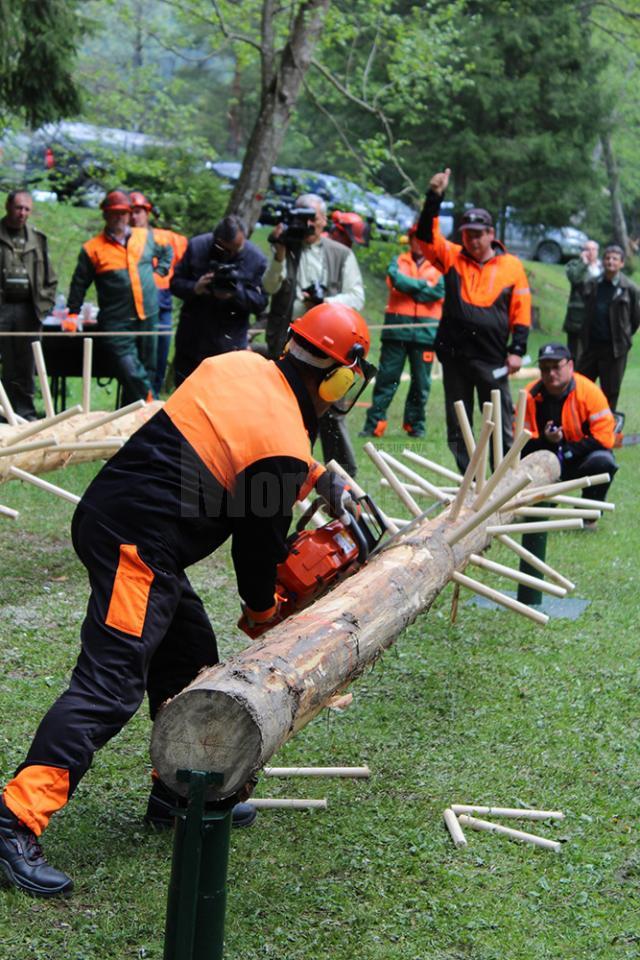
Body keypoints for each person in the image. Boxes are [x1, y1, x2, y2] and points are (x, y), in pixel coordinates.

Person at [0, 302, 375, 898]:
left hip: (132, 530)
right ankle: (15, 817)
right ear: (335, 376)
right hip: (137, 546)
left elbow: (249, 438)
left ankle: (176, 793)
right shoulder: (280, 440)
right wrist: (265, 614)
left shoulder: (240, 365)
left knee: (190, 655)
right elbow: (257, 557)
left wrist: (319, 477)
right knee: (110, 687)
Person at [416, 168, 531, 472]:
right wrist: (434, 196)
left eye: (478, 235)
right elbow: (425, 236)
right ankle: (469, 481)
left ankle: (503, 482)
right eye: (467, 234)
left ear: (491, 234)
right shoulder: (452, 256)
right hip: (454, 354)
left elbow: (522, 309)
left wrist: (517, 349)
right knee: (459, 425)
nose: (472, 240)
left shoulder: (512, 266)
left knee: (499, 421)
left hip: (492, 356)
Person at [263, 194, 366, 475]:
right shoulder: (286, 248)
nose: (307, 224)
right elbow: (270, 287)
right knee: (283, 409)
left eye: (312, 218)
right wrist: (279, 253)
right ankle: (282, 469)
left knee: (332, 412)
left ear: (323, 219)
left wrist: (325, 304)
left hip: (331, 349)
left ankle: (344, 477)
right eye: (301, 218)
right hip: (289, 343)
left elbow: (357, 296)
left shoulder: (341, 253)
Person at [67, 190, 172, 405]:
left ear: (129, 214)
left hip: (148, 315)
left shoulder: (145, 236)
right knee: (130, 370)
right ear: (105, 215)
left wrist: (159, 271)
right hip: (116, 322)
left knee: (148, 369)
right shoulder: (92, 249)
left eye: (123, 213)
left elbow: (167, 250)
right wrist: (73, 313)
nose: (119, 218)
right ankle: (153, 406)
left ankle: (133, 423)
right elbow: (79, 283)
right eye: (114, 213)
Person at [360, 226, 444, 439]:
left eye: (424, 239)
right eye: (416, 238)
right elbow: (397, 281)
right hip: (395, 332)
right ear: (411, 240)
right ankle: (374, 425)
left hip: (425, 333)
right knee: (386, 379)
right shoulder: (397, 261)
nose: (419, 243)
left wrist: (410, 287)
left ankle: (416, 426)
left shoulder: (440, 266)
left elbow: (438, 291)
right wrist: (423, 286)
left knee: (421, 383)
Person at [170, 214, 267, 386]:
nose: (230, 254)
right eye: (225, 249)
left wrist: (236, 293)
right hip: (193, 340)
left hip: (230, 344)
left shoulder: (256, 259)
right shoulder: (198, 246)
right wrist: (196, 287)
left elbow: (260, 303)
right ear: (217, 240)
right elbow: (175, 284)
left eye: (236, 249)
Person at [521, 342, 617, 510]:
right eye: (545, 368)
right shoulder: (529, 395)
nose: (551, 373)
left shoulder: (589, 392)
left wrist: (568, 451)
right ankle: (541, 506)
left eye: (556, 367)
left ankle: (588, 515)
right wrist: (547, 440)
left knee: (603, 461)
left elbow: (605, 438)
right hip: (544, 459)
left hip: (580, 457)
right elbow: (521, 445)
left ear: (570, 365)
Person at [0, 190, 57, 420]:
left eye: (26, 209)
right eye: (18, 208)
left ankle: (25, 412)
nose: (22, 213)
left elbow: (50, 278)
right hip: (2, 308)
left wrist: (46, 304)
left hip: (29, 309)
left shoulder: (37, 238)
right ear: (7, 206)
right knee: (7, 360)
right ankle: (5, 412)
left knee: (27, 362)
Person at [129, 191, 188, 395]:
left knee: (159, 357)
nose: (134, 217)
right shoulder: (123, 240)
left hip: (162, 303)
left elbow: (191, 255)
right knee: (134, 361)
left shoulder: (166, 238)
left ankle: (152, 399)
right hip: (133, 306)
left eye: (138, 212)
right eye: (130, 213)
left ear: (147, 213)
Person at [575, 243, 640, 413]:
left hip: (615, 350)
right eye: (607, 258)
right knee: (580, 385)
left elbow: (635, 319)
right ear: (603, 261)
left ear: (621, 263)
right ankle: (580, 426)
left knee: (610, 392)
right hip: (591, 346)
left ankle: (606, 431)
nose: (610, 262)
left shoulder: (630, 289)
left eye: (615, 259)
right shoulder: (593, 283)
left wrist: (623, 336)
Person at [563, 239, 602, 361]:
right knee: (576, 355)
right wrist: (583, 264)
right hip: (578, 320)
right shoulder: (574, 265)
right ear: (582, 252)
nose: (590, 252)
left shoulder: (604, 267)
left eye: (593, 249)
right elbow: (575, 278)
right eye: (587, 249)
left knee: (595, 356)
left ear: (598, 251)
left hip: (598, 319)